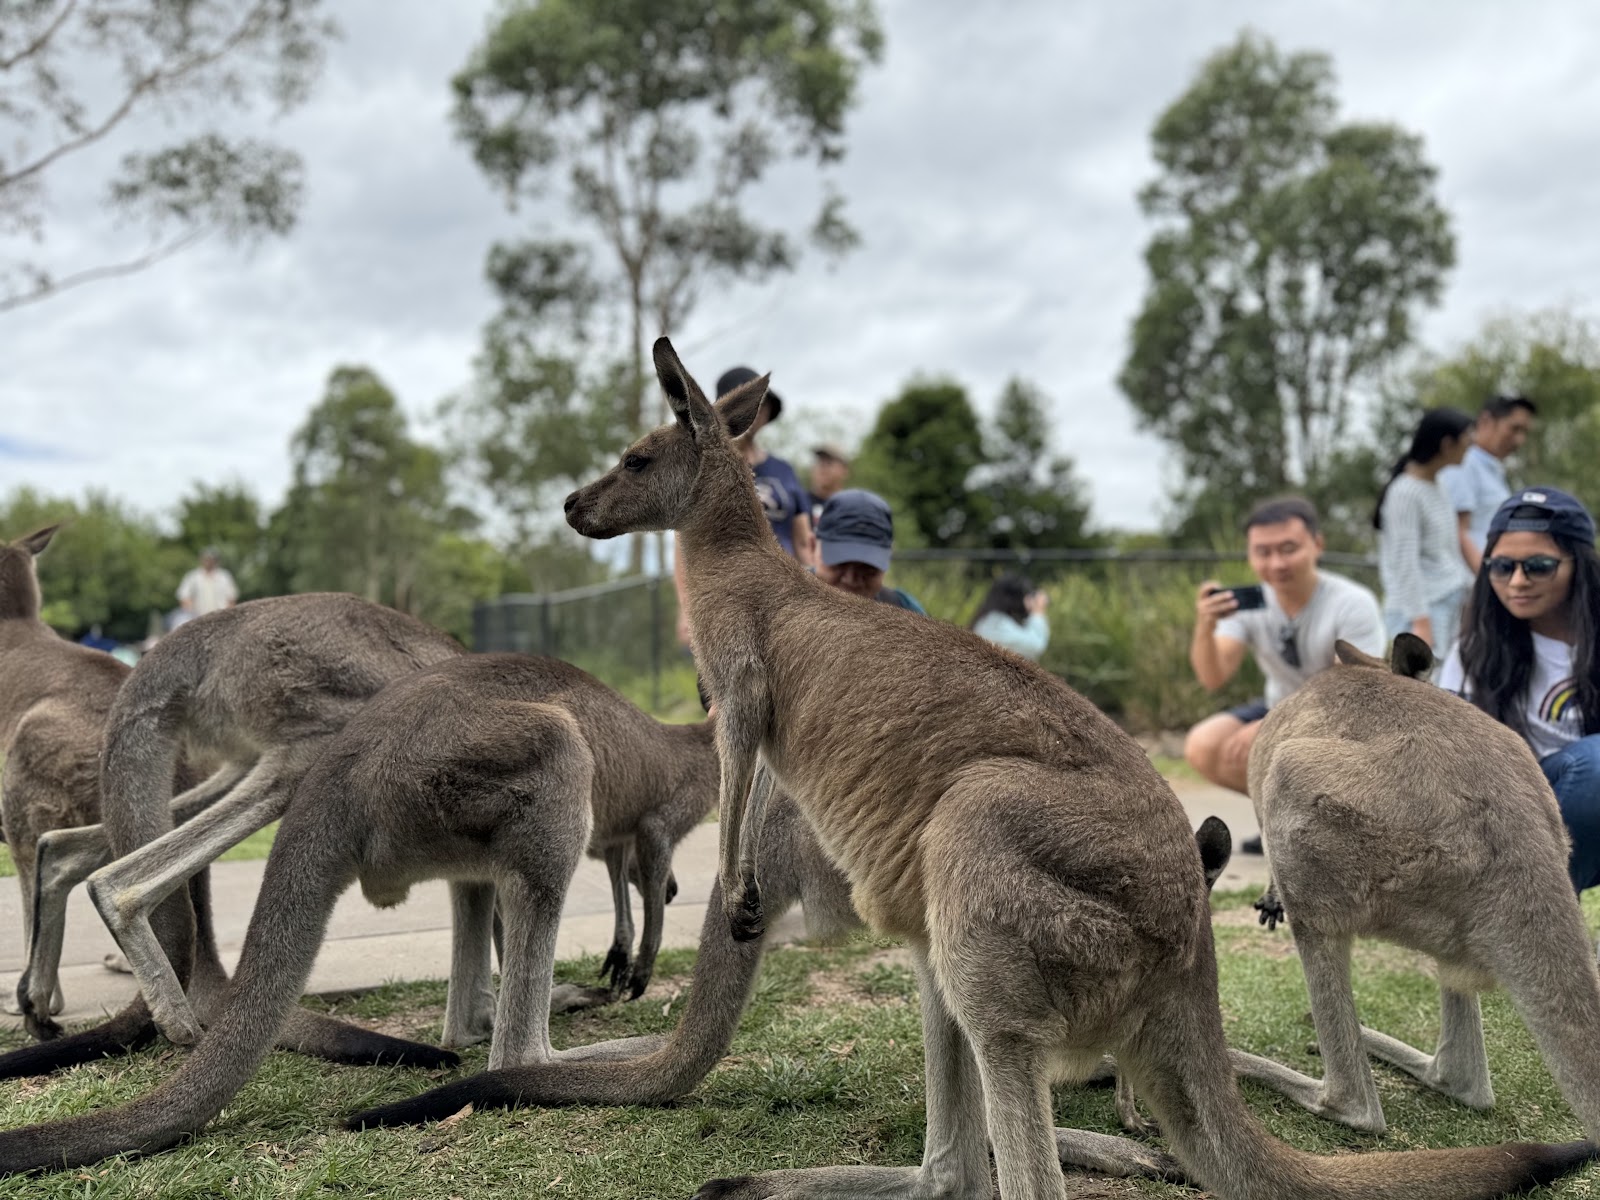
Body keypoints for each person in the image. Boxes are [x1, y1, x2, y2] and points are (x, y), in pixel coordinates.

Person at [1185, 495, 1385, 852]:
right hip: (1277, 706)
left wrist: (1272, 726)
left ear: (1317, 544)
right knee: (1203, 744)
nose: (1276, 563)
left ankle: (1325, 833)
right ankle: (1284, 824)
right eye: (1263, 552)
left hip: (1341, 723)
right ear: (1249, 554)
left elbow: (1354, 690)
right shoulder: (1249, 604)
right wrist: (1204, 625)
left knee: (1268, 741)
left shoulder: (1352, 602)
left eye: (1288, 548)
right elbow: (1213, 677)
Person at [1437, 487, 1600, 894]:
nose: (1518, 581)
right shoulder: (1474, 651)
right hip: (1517, 818)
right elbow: (1452, 766)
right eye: (1501, 566)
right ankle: (1536, 920)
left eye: (1539, 566)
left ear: (1578, 565)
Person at [674, 365, 813, 646]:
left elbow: (803, 538)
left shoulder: (783, 470)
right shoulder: (705, 470)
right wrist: (686, 607)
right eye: (749, 405)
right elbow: (683, 544)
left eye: (762, 406)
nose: (756, 413)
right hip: (725, 602)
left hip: (787, 601)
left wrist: (816, 586)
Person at [1374, 407, 1475, 653]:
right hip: (1421, 611)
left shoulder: (1437, 484)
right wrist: (1420, 622)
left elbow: (1446, 550)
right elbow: (1404, 562)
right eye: (1466, 440)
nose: (1470, 446)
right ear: (1446, 444)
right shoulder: (1404, 493)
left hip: (1446, 602)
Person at [1438, 394, 1538, 573]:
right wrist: (1487, 581)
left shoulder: (1493, 470)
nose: (1519, 440)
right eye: (1514, 428)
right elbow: (1458, 531)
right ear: (1486, 421)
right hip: (1469, 586)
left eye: (1524, 432)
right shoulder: (1464, 463)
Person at [812, 489, 924, 612]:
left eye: (867, 568)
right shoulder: (788, 601)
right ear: (813, 546)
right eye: (839, 564)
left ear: (889, 556)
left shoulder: (907, 611)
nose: (851, 580)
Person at [968, 572, 1049, 660]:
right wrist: (1037, 612)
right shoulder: (996, 623)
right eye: (1026, 596)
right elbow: (1035, 646)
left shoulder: (990, 619)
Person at [176, 547, 238, 618]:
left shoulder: (224, 576)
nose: (209, 562)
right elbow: (184, 597)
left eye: (211, 559)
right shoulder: (192, 576)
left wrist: (228, 614)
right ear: (201, 559)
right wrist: (191, 612)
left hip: (221, 617)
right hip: (197, 617)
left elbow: (231, 599)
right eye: (206, 559)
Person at [808, 443, 851, 525]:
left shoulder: (852, 508)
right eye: (819, 461)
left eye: (829, 462)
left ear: (845, 470)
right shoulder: (797, 504)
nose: (823, 466)